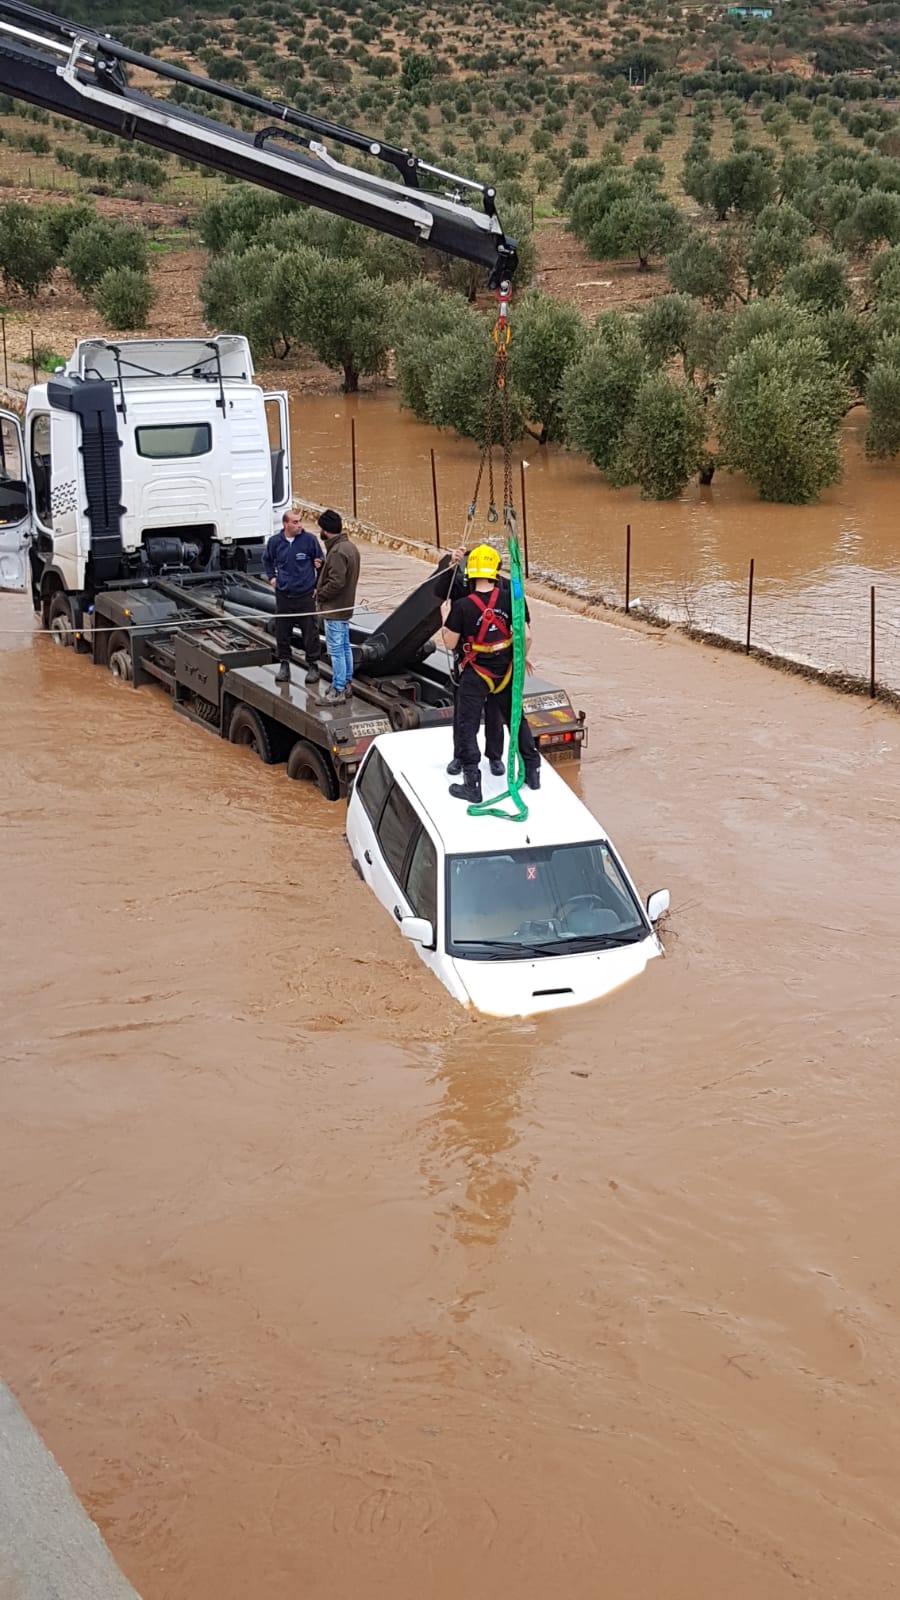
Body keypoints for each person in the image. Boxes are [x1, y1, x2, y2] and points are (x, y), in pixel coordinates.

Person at [442, 543, 541, 804]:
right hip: (506, 670)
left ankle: (472, 785)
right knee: (515, 719)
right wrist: (520, 659)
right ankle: (533, 772)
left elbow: (450, 643)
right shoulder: (512, 597)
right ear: (495, 571)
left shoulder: (462, 606)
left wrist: (445, 618)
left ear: (471, 573)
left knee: (467, 725)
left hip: (476, 673)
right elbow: (526, 635)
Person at [435, 546, 505, 778]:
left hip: (495, 660)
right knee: (465, 715)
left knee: (494, 710)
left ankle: (494, 756)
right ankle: (461, 754)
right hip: (469, 657)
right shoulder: (462, 582)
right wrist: (450, 566)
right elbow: (439, 590)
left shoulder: (500, 586)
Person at [263, 508, 323, 686]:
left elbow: (321, 562)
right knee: (282, 631)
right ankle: (284, 664)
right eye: (295, 522)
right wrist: (272, 578)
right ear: (285, 524)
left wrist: (317, 586)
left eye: (300, 521)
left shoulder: (309, 540)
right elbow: (267, 560)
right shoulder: (275, 542)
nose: (299, 525)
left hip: (305, 594)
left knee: (310, 632)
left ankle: (313, 665)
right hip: (284, 595)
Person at [314, 510, 360, 705]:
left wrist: (320, 594)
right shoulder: (350, 547)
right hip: (345, 607)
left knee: (336, 651)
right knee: (345, 647)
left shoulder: (337, 552)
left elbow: (336, 582)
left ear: (325, 530)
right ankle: (347, 684)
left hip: (334, 609)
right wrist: (323, 567)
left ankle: (338, 689)